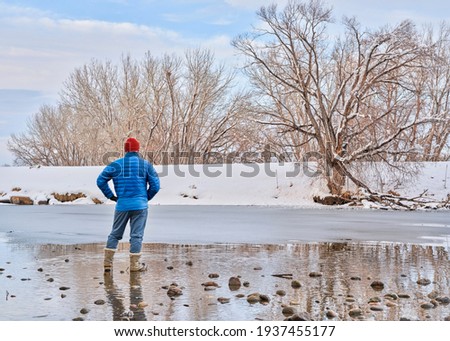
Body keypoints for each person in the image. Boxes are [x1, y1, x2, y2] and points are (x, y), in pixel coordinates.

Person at [97, 137, 160, 272]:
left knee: (115, 234)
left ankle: (107, 264)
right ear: (138, 149)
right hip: (140, 206)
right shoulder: (146, 165)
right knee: (136, 236)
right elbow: (155, 185)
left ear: (125, 150)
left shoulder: (115, 165)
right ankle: (134, 266)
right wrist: (145, 198)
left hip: (122, 205)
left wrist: (111, 196)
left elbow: (100, 181)